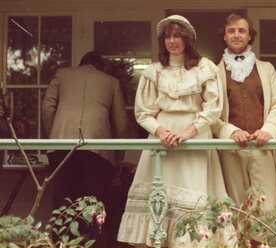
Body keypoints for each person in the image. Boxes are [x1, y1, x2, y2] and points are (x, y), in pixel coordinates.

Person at [117, 15, 227, 247]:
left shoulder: (205, 68)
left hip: (194, 140)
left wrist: (187, 133)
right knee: (159, 197)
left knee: (192, 196)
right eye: (167, 36)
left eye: (177, 35)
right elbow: (143, 112)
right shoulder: (154, 71)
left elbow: (213, 108)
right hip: (162, 142)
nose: (172, 41)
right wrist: (161, 132)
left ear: (187, 39)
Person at [42, 51, 128, 246]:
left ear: (80, 64)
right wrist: (119, 158)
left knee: (62, 200)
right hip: (96, 147)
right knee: (96, 200)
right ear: (102, 67)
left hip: (61, 145)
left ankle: (61, 244)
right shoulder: (110, 82)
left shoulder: (62, 74)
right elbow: (121, 123)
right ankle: (97, 242)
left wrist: (53, 136)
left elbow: (47, 108)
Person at [211, 13, 276, 212]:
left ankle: (262, 244)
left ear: (250, 36)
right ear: (224, 36)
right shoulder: (213, 72)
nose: (236, 35)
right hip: (230, 150)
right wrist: (230, 132)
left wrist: (268, 130)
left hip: (262, 148)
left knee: (266, 206)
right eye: (231, 31)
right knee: (235, 208)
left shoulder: (266, 68)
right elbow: (211, 113)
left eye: (241, 31)